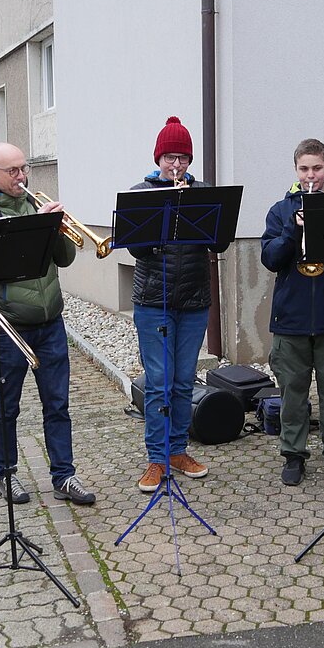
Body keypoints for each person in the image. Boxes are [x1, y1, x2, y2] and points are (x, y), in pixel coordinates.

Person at [0, 142, 95, 506]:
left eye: (24, 168)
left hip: (50, 322)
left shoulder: (34, 204)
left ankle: (64, 476)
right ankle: (6, 474)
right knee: (7, 404)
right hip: (9, 325)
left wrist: (54, 227)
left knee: (57, 404)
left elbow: (66, 258)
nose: (22, 176)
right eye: (13, 171)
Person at [129, 116, 229, 493]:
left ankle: (177, 452)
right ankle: (156, 459)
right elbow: (135, 248)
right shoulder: (141, 191)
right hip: (153, 300)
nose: (176, 165)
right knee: (158, 384)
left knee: (184, 382)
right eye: (170, 157)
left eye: (183, 158)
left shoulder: (202, 191)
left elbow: (218, 243)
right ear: (159, 158)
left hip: (194, 299)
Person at [260, 138, 324, 486]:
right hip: (291, 319)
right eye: (304, 169)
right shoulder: (280, 210)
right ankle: (293, 454)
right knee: (292, 392)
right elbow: (271, 259)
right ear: (296, 170)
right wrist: (294, 228)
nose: (310, 175)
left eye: (317, 168)